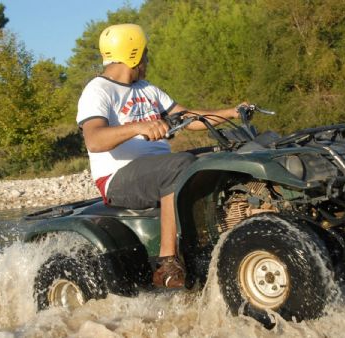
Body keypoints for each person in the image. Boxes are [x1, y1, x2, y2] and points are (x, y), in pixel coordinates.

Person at [76, 23, 243, 288]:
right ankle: (167, 264)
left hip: (159, 168)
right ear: (133, 54)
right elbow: (94, 140)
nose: (147, 59)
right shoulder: (98, 90)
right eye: (145, 53)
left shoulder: (148, 90)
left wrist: (232, 112)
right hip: (118, 178)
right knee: (179, 166)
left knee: (217, 160)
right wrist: (139, 127)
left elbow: (189, 118)